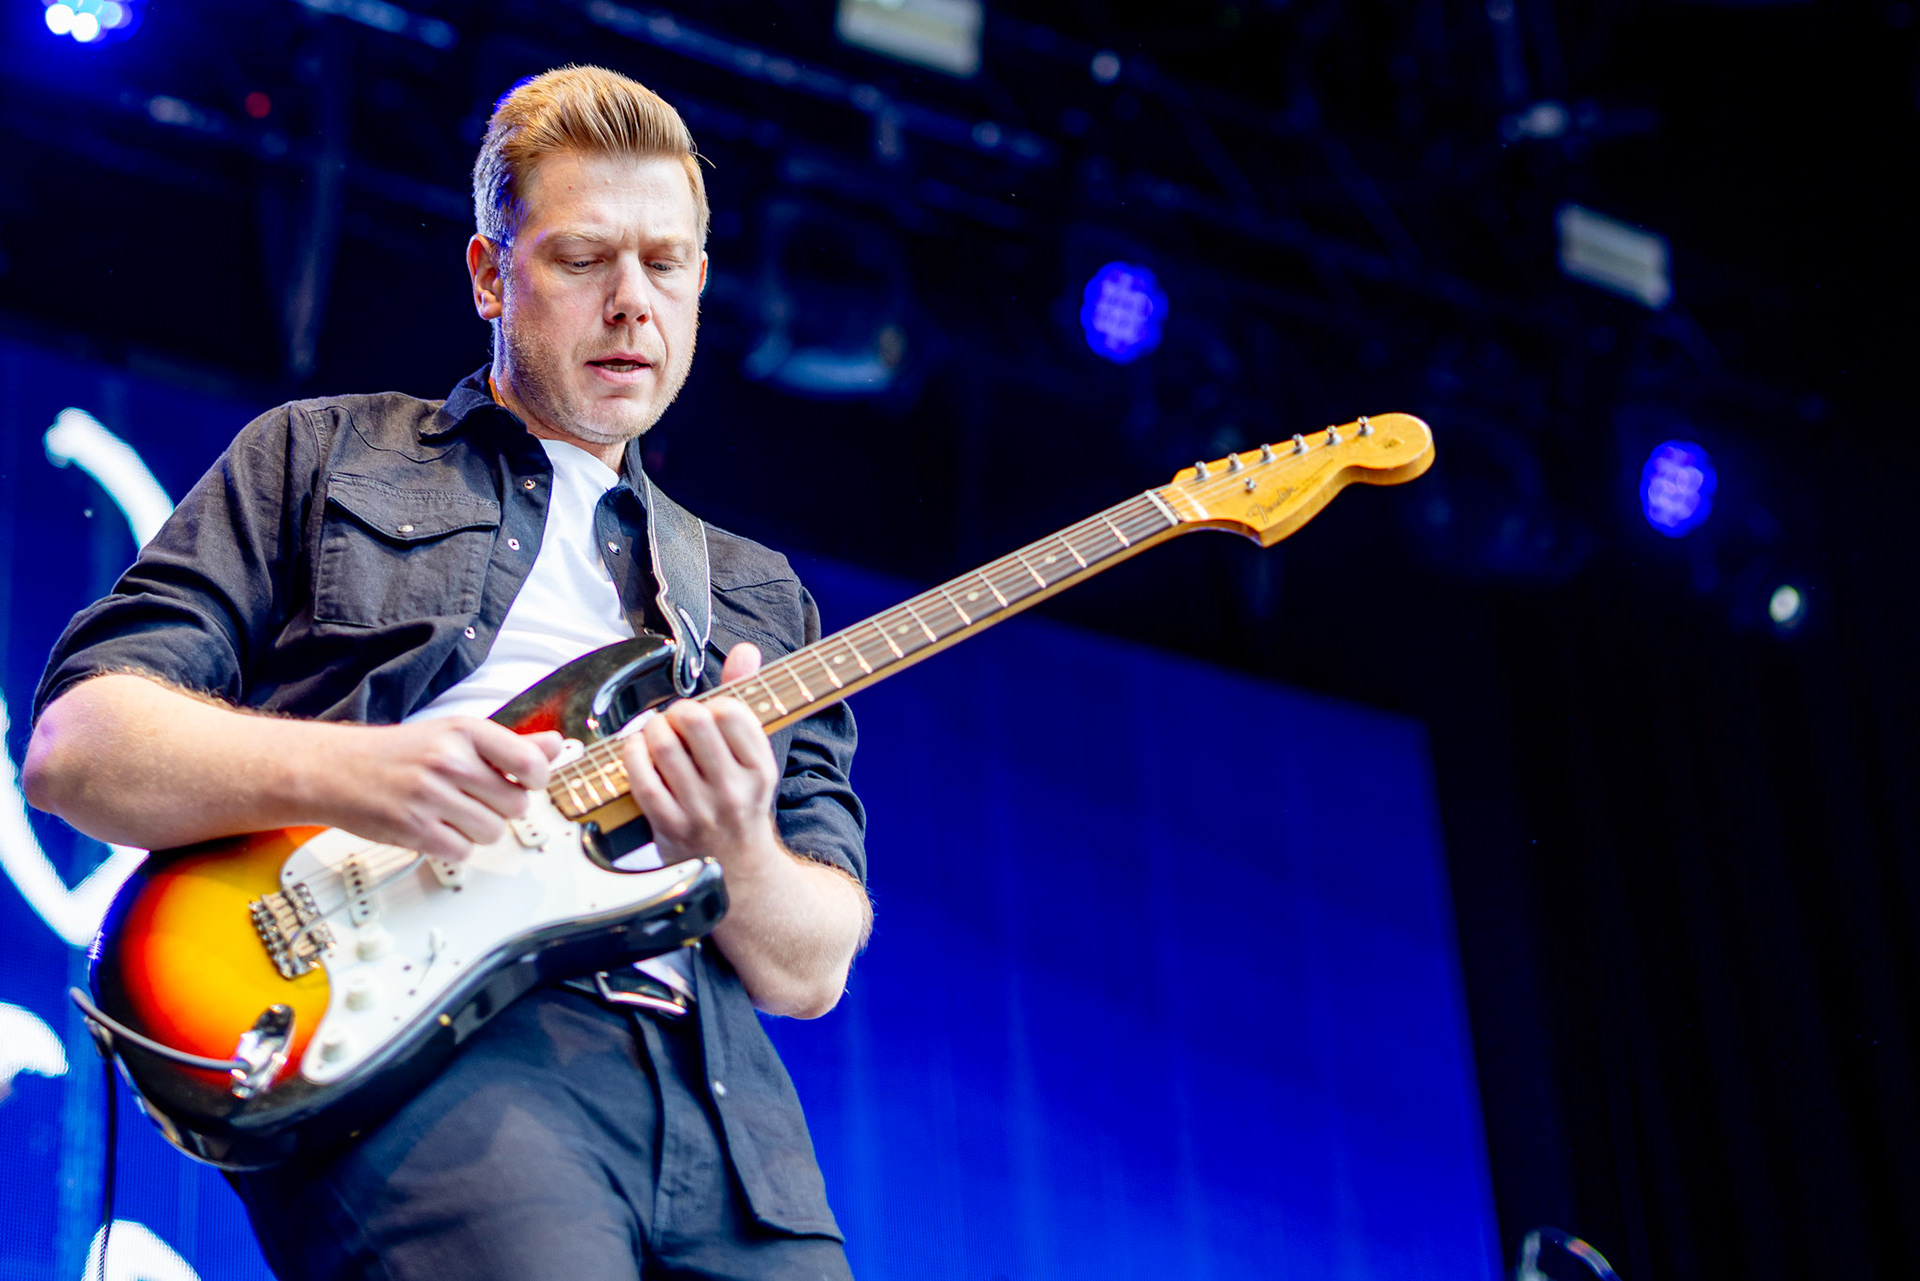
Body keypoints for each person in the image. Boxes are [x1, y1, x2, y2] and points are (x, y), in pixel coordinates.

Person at [23, 66, 869, 1280]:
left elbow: (809, 966)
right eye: (583, 258)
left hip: (732, 1123)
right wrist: (365, 773)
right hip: (430, 1058)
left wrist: (739, 844)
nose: (632, 302)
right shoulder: (322, 454)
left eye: (666, 264)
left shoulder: (756, 597)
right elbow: (80, 750)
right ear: (488, 275)